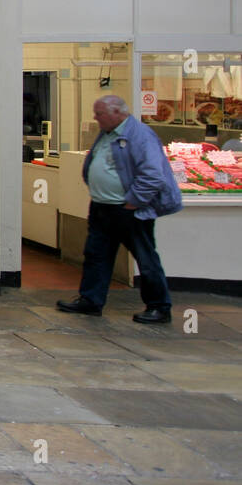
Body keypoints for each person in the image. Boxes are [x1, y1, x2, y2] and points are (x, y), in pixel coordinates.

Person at [57, 95, 182, 324]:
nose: (95, 118)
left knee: (145, 258)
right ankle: (91, 300)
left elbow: (154, 174)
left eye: (100, 114)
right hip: (102, 207)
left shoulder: (140, 135)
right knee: (96, 255)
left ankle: (159, 306)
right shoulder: (106, 132)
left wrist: (133, 201)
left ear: (117, 112)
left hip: (128, 210)